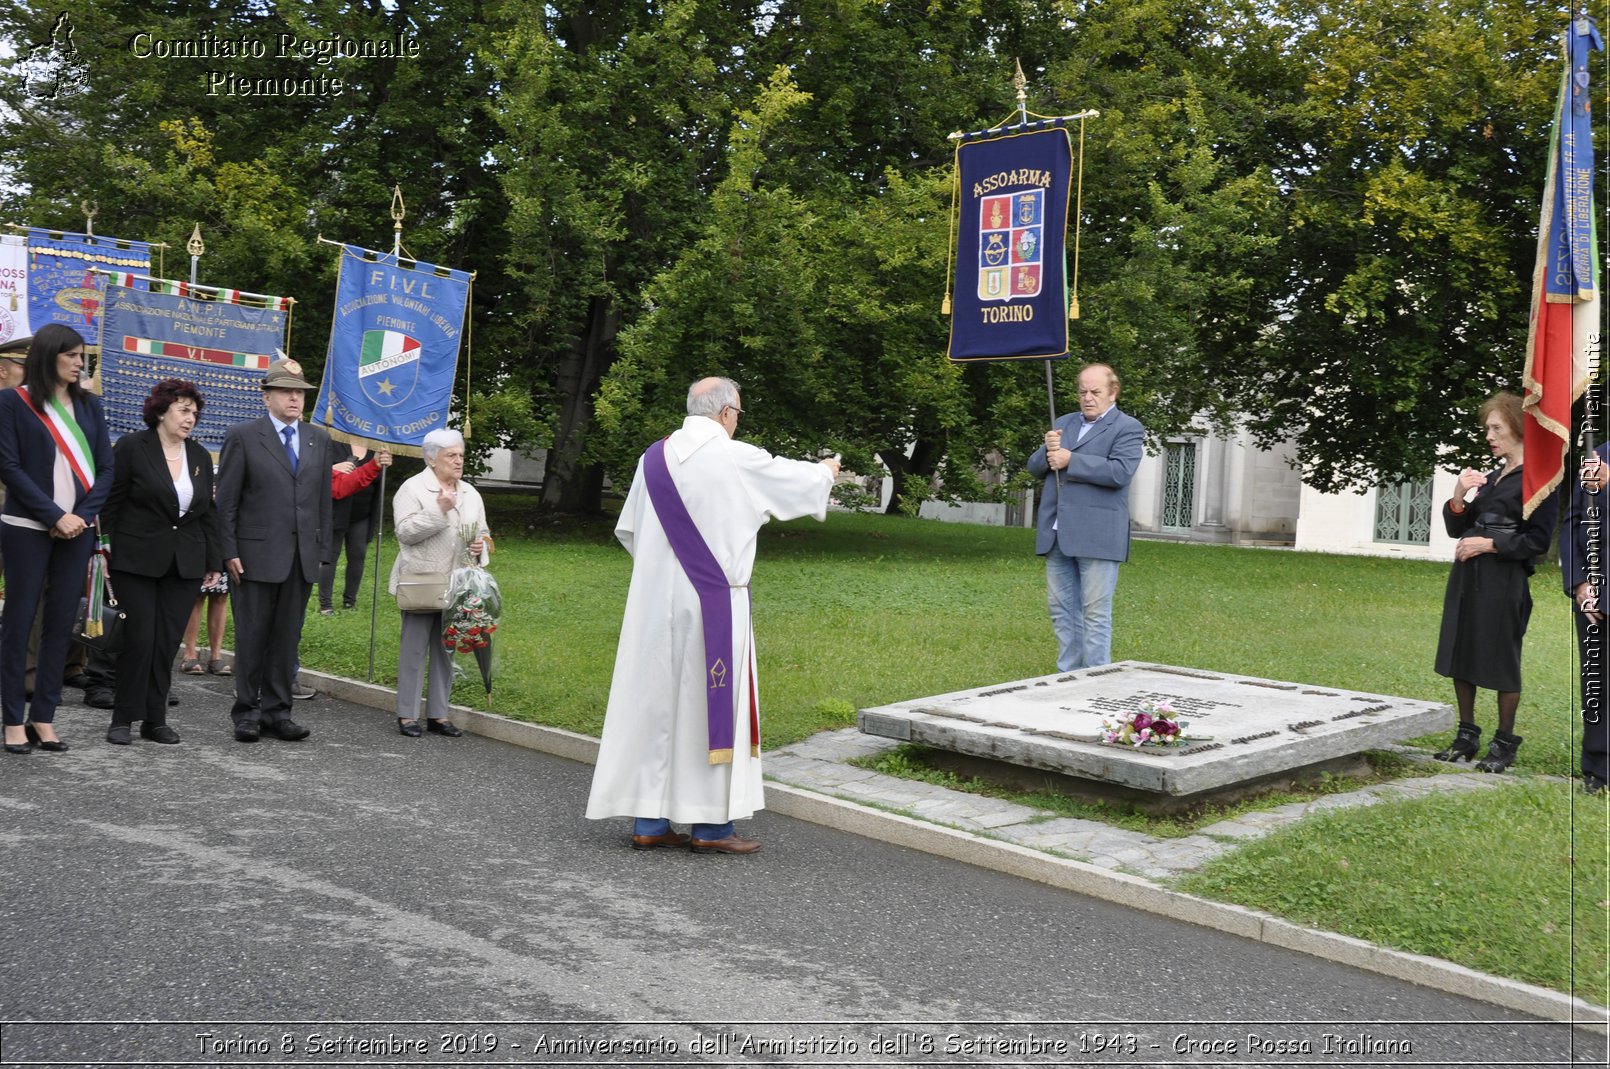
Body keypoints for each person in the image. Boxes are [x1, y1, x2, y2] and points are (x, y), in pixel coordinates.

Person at [586, 376, 838, 854]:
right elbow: (795, 480)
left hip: (653, 603)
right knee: (706, 709)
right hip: (714, 603)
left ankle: (650, 819)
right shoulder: (734, 456)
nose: (737, 422)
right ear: (725, 413)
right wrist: (825, 470)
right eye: (738, 413)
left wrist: (663, 573)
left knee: (655, 707)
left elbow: (630, 531)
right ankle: (710, 828)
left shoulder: (652, 459)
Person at [0, 324, 114, 754]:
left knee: (60, 625)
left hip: (77, 532)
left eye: (82, 356)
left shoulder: (89, 407)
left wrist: (79, 518)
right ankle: (12, 719)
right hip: (27, 529)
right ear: (50, 357)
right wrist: (53, 515)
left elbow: (106, 469)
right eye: (73, 356)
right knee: (19, 621)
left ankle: (43, 717)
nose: (80, 364)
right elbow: (9, 467)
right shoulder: (13, 403)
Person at [1432, 392, 1558, 773]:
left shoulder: (1540, 480)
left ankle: (1504, 744)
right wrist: (1459, 493)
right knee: (1461, 650)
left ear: (1518, 429)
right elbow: (1458, 526)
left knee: (1502, 657)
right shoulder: (1490, 478)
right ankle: (1466, 735)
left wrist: (1489, 543)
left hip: (1504, 579)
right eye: (1488, 428)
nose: (1489, 435)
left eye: (1496, 428)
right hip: (1468, 576)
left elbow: (1536, 541)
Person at [214, 357, 332, 744]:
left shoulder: (319, 439)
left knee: (286, 639)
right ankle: (247, 712)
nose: (295, 399)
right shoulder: (244, 436)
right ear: (266, 397)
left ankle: (278, 711)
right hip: (254, 556)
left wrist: (322, 552)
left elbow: (322, 502)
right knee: (252, 636)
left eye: (299, 393)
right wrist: (227, 549)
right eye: (286, 392)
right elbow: (226, 501)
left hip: (301, 557)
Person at [99, 380, 221, 745]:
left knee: (166, 642)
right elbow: (111, 504)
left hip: (184, 563)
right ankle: (123, 718)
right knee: (139, 639)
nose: (190, 419)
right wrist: (103, 550)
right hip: (135, 560)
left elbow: (208, 512)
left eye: (194, 413)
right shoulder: (133, 448)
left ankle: (155, 719)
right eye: (184, 411)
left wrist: (213, 559)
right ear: (162, 410)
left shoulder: (199, 455)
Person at [1025, 363, 1145, 671]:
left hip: (1098, 535)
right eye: (1082, 392)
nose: (1087, 398)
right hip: (1057, 533)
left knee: (1095, 612)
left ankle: (1096, 679)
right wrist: (1048, 448)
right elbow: (1036, 467)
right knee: (1061, 610)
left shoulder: (1128, 427)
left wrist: (1071, 459)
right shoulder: (1064, 422)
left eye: (1095, 392)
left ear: (1113, 392)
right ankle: (1067, 676)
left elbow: (1120, 472)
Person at [389, 430, 484, 738]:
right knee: (414, 650)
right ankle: (407, 714)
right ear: (431, 459)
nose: (459, 461)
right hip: (421, 580)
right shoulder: (413, 488)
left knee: (446, 649)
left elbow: (483, 531)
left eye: (460, 455)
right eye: (451, 456)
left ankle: (439, 715)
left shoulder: (470, 492)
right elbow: (404, 532)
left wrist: (482, 546)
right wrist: (438, 511)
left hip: (457, 582)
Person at [1562, 442, 1610, 795]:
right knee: (1596, 679)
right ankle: (1596, 765)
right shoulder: (1598, 453)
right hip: (1592, 593)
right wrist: (1579, 582)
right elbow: (1572, 521)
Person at [318, 442, 384, 615]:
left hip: (362, 514)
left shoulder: (375, 449)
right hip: (336, 511)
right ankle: (325, 605)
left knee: (357, 556)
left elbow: (378, 479)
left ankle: (350, 601)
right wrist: (334, 467)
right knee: (330, 556)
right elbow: (314, 470)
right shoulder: (333, 444)